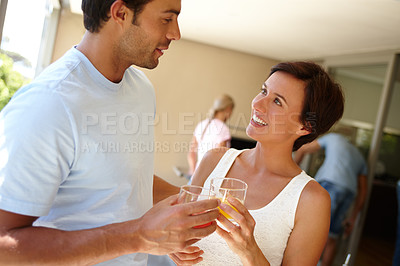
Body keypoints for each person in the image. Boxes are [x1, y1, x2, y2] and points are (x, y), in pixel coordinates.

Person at [0, 0, 220, 265]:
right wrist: (140, 236)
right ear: (120, 13)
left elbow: (123, 176)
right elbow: (4, 243)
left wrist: (191, 205)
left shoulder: (141, 90)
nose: (176, 33)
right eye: (167, 19)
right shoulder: (49, 104)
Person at [169, 61, 345, 265]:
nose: (257, 104)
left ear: (304, 126)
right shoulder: (214, 160)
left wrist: (250, 252)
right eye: (264, 91)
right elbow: (182, 230)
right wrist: (175, 244)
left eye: (277, 101)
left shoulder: (311, 200)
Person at [294, 132, 368, 266]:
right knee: (331, 237)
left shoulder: (334, 137)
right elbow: (363, 191)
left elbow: (303, 148)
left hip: (330, 184)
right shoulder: (359, 156)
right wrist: (353, 217)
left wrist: (289, 173)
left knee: (312, 231)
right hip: (349, 192)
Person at [187, 94, 234, 178]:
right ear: (228, 109)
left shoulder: (201, 124)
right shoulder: (224, 129)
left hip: (197, 176)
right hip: (211, 178)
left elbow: (191, 154)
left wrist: (194, 173)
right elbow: (221, 158)